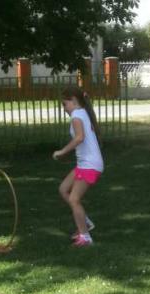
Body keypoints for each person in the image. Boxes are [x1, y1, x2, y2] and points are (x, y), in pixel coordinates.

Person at [53, 86, 103, 247]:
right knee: (63, 189)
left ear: (74, 101)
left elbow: (80, 138)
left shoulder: (76, 115)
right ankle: (85, 222)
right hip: (85, 164)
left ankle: (85, 237)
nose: (64, 108)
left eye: (64, 104)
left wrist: (62, 151)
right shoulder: (82, 112)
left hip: (90, 164)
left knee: (74, 199)